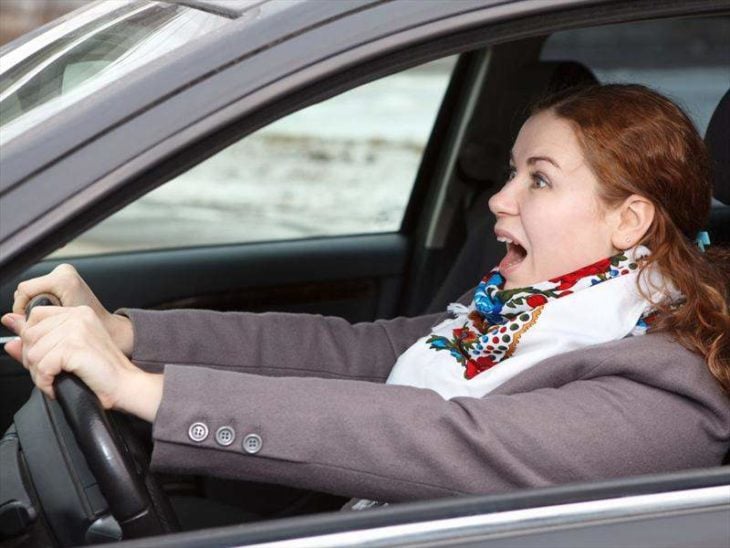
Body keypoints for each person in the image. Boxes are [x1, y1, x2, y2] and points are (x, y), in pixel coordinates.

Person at [2, 84, 729, 505]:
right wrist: (128, 336)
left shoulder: (670, 392)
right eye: (511, 172)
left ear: (628, 219)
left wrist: (143, 392)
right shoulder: (517, 315)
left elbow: (442, 438)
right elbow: (356, 351)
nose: (498, 202)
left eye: (537, 179)